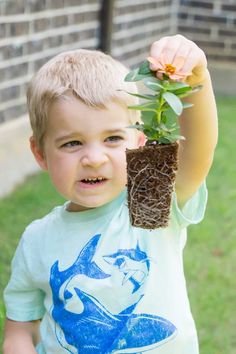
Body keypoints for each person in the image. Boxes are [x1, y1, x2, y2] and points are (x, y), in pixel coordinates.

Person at [3, 34, 218, 354]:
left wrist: (198, 77)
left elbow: (199, 153)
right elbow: (19, 329)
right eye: (72, 143)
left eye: (113, 138)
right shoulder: (37, 240)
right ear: (40, 153)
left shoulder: (148, 203)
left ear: (140, 143)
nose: (94, 158)